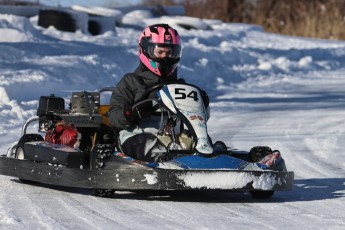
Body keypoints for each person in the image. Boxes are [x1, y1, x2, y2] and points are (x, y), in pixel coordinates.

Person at [108, 23, 208, 162]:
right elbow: (113, 118)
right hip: (136, 137)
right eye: (160, 52)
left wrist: (202, 103)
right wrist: (131, 113)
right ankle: (168, 164)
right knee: (148, 144)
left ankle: (219, 160)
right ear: (146, 51)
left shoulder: (180, 86)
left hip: (173, 140)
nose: (165, 58)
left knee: (200, 143)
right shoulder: (131, 81)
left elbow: (199, 120)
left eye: (169, 53)